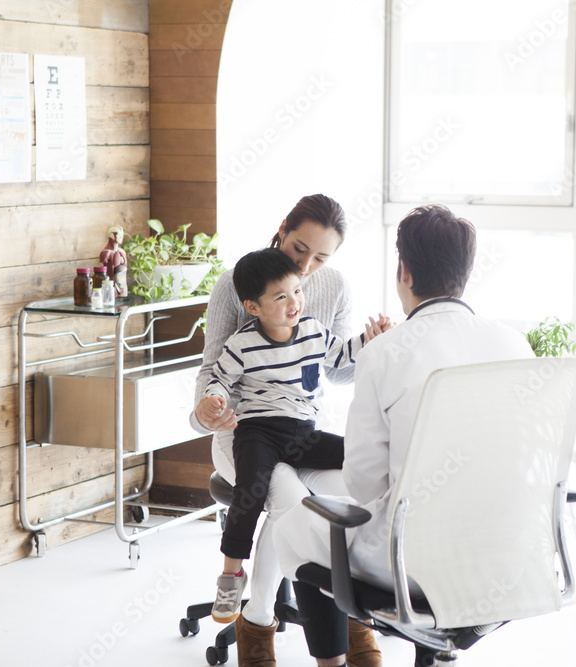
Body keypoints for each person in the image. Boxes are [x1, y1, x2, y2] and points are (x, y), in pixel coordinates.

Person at [271, 204, 535, 667]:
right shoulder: (513, 343)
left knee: (293, 526)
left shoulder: (387, 353)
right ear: (465, 274)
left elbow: (365, 485)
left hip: (414, 564)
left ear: (405, 272)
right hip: (509, 554)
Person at [190, 194, 388, 666]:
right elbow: (210, 374)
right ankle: (257, 623)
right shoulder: (235, 285)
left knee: (353, 489)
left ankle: (355, 612)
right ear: (282, 229)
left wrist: (373, 348)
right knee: (291, 504)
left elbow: (334, 369)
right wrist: (207, 411)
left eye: (322, 257)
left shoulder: (332, 288)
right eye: (301, 249)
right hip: (244, 432)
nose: (308, 266)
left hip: (304, 430)